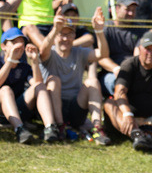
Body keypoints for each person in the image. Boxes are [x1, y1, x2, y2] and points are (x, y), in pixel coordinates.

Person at [39, 9, 110, 143]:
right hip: (53, 109)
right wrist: (55, 29)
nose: (65, 39)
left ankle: (97, 128)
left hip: (75, 108)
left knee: (93, 82)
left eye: (69, 34)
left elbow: (103, 54)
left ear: (74, 36)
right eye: (61, 34)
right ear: (55, 36)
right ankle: (59, 127)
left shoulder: (79, 52)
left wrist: (99, 31)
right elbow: (42, 52)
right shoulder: (50, 53)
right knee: (54, 80)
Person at [0, 27, 57, 144]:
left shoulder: (24, 67)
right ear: (3, 46)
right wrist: (10, 60)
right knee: (6, 90)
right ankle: (19, 130)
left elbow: (38, 84)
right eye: (14, 42)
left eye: (21, 42)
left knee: (40, 86)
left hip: (16, 109)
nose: (19, 45)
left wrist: (35, 61)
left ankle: (50, 128)